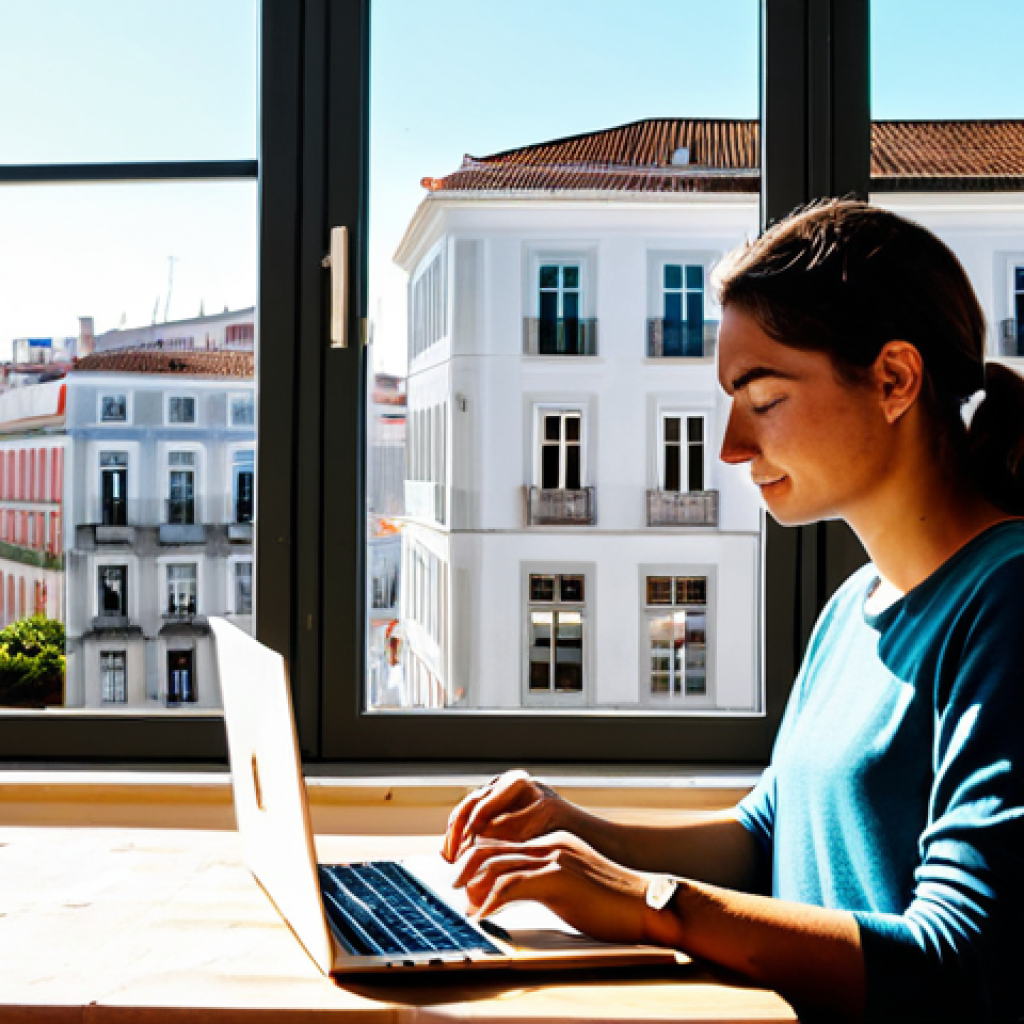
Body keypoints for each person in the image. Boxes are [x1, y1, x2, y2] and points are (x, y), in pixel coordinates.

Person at [441, 200, 1024, 1022]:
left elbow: (960, 963)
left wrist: (651, 903)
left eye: (763, 395)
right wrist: (575, 829)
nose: (729, 446)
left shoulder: (1006, 598)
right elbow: (767, 835)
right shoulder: (852, 609)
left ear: (895, 378)